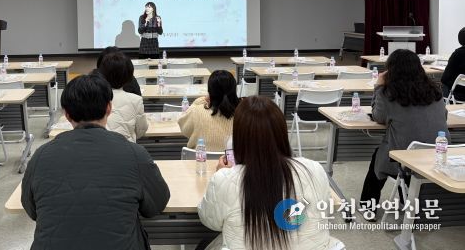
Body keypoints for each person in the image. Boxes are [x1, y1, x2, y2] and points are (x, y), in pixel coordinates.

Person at [21, 73, 170, 250]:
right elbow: (156, 205)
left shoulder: (41, 155)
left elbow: (32, 210)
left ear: (67, 114)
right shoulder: (135, 154)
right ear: (109, 108)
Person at [197, 96, 343, 250]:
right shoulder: (314, 169)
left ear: (239, 137)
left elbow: (211, 222)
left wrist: (222, 176)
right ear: (282, 133)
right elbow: (323, 210)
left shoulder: (225, 179)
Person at [360, 49, 449, 214]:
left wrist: (378, 86)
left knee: (379, 156)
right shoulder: (435, 90)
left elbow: (378, 117)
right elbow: (444, 116)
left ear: (390, 70)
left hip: (404, 156)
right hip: (437, 154)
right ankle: (404, 197)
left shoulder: (389, 94)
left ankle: (368, 207)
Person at [178, 70, 239, 151]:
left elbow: (185, 130)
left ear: (210, 92)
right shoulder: (244, 112)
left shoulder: (196, 111)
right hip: (233, 159)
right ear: (234, 90)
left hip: (200, 158)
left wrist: (202, 100)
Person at [98, 51, 148, 142]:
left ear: (102, 74)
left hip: (99, 146)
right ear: (129, 76)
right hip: (127, 147)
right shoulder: (136, 100)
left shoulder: (93, 98)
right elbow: (141, 131)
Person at [441, 27, 465, 101]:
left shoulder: (457, 54)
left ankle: (445, 105)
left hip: (458, 94)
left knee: (443, 83)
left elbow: (444, 78)